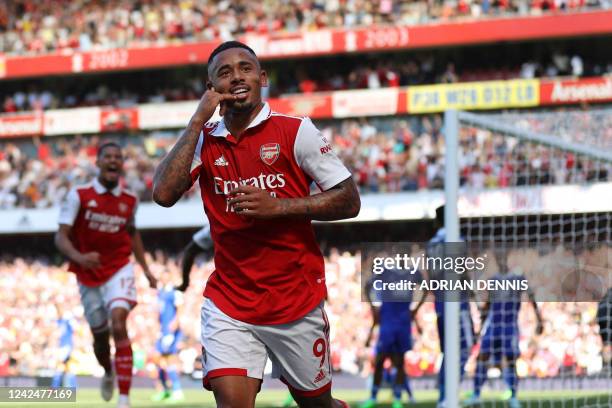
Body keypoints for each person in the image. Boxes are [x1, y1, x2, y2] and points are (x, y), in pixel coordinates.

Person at [152, 40, 360, 408]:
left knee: (317, 405)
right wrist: (198, 120)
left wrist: (278, 207)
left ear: (262, 78)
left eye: (246, 68)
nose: (237, 77)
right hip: (230, 302)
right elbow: (163, 194)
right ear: (211, 87)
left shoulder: (296, 131)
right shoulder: (204, 139)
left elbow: (349, 199)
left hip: (294, 300)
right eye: (225, 72)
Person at [55, 141, 157, 408]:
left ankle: (124, 399)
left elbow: (132, 235)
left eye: (118, 157)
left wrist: (146, 270)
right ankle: (108, 371)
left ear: (121, 165)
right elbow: (61, 236)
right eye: (108, 157)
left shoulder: (130, 200)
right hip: (87, 273)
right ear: (98, 162)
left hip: (119, 267)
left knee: (119, 323)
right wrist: (79, 257)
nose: (113, 161)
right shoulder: (79, 195)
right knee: (100, 338)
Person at [412, 205, 475, 408]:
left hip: (440, 304)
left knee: (449, 352)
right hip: (457, 303)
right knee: (465, 346)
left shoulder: (431, 244)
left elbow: (431, 278)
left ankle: (443, 398)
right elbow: (462, 270)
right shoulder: (456, 238)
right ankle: (449, 396)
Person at [464, 248, 543, 408]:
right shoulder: (493, 280)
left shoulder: (518, 278)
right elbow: (488, 305)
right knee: (482, 357)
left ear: (507, 258)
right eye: (497, 257)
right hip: (493, 325)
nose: (500, 260)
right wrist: (481, 324)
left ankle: (513, 396)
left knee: (511, 361)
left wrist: (539, 320)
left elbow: (532, 297)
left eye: (502, 256)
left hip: (509, 326)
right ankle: (476, 394)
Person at [361, 262, 418, 408]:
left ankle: (397, 399)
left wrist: (416, 309)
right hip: (387, 325)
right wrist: (372, 305)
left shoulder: (411, 274)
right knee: (380, 360)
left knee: (399, 363)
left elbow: (426, 287)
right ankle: (373, 397)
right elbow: (367, 286)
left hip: (402, 325)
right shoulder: (385, 274)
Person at [151, 269, 185, 403]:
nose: (164, 279)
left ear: (169, 277)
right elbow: (159, 312)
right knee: (157, 360)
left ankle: (177, 392)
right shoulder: (160, 293)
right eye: (162, 277)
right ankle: (165, 390)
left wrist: (174, 325)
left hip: (170, 331)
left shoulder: (174, 292)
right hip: (162, 331)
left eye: (166, 277)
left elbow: (179, 310)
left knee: (170, 360)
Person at [176, 224, 214, 292]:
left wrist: (185, 283)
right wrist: (185, 283)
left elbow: (189, 252)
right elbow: (189, 252)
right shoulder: (217, 226)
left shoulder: (219, 225)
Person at [51, 305, 77, 388]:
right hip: (63, 346)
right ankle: (73, 387)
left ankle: (54, 387)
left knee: (59, 365)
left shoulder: (67, 321)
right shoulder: (59, 321)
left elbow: (76, 329)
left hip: (66, 346)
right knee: (67, 367)